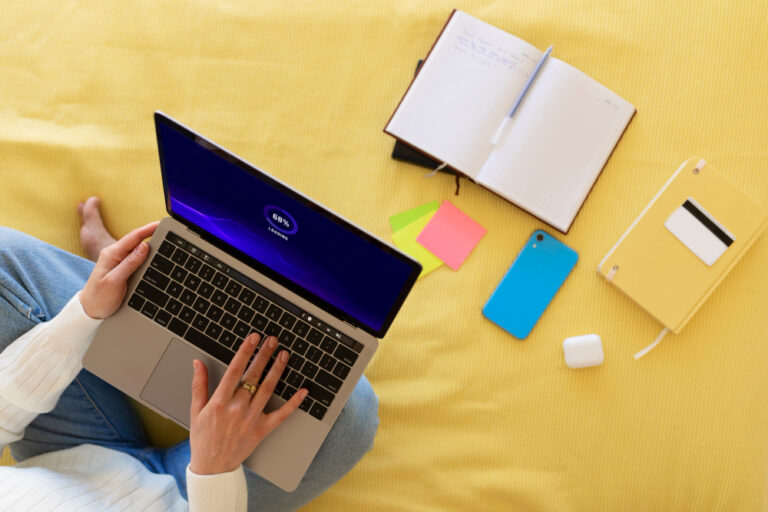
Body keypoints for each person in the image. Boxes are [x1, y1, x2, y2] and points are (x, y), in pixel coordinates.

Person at [0, 197, 379, 511]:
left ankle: (137, 292)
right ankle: (142, 296)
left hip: (64, 455)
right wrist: (216, 471)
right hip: (187, 501)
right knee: (349, 406)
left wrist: (85, 314)